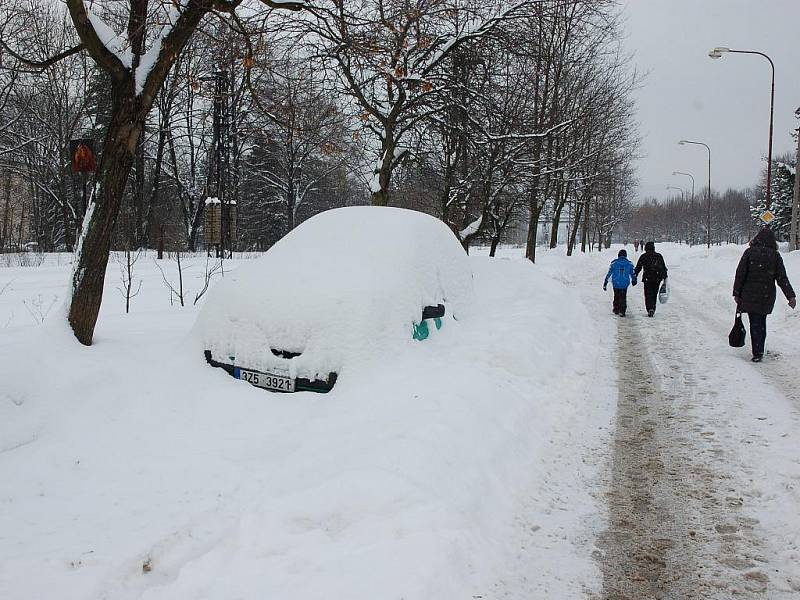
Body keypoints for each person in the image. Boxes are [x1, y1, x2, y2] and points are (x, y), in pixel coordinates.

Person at [733, 227, 796, 362]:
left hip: (749, 295)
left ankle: (757, 352)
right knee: (761, 322)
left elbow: (740, 274)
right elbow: (782, 278)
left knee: (754, 322)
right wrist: (790, 296)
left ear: (757, 239)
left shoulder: (749, 253)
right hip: (766, 295)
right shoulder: (775, 256)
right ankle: (759, 349)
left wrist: (737, 293)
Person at [635, 241, 668, 317]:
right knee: (654, 294)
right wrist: (665, 277)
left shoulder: (643, 256)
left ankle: (650, 308)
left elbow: (638, 268)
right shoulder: (658, 256)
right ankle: (652, 307)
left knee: (648, 294)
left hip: (647, 278)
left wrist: (634, 276)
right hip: (657, 278)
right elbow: (663, 267)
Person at [603, 249, 637, 317]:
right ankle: (622, 310)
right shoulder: (629, 264)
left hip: (616, 282)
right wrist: (634, 280)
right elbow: (633, 273)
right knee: (623, 296)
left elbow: (609, 273)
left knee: (616, 295)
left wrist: (605, 282)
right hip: (625, 283)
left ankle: (616, 308)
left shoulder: (614, 263)